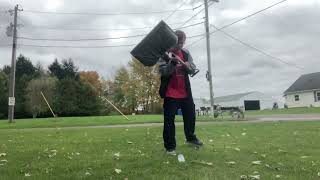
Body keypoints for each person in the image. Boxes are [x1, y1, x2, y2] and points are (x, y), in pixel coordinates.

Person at [158, 30, 203, 155]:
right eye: (178, 43)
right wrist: (172, 63)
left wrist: (188, 65)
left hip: (185, 92)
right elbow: (163, 72)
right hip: (170, 93)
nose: (180, 46)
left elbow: (193, 68)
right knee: (169, 121)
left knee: (190, 116)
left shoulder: (185, 53)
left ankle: (191, 139)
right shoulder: (164, 54)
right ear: (172, 40)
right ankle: (170, 147)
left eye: (182, 43)